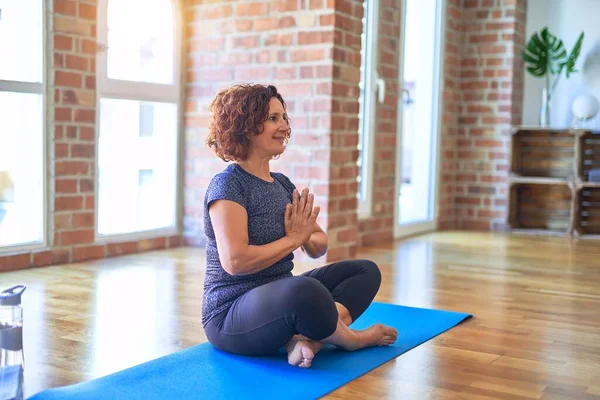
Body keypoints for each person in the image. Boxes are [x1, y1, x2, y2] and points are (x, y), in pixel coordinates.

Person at [202, 83, 398, 368]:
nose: (284, 126)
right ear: (244, 126)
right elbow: (235, 262)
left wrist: (305, 237)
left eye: (284, 118)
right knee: (305, 291)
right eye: (273, 118)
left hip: (281, 297)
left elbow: (319, 244)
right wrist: (294, 239)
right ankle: (352, 339)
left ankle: (309, 341)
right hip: (231, 314)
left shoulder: (281, 183)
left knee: (364, 271)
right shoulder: (228, 184)